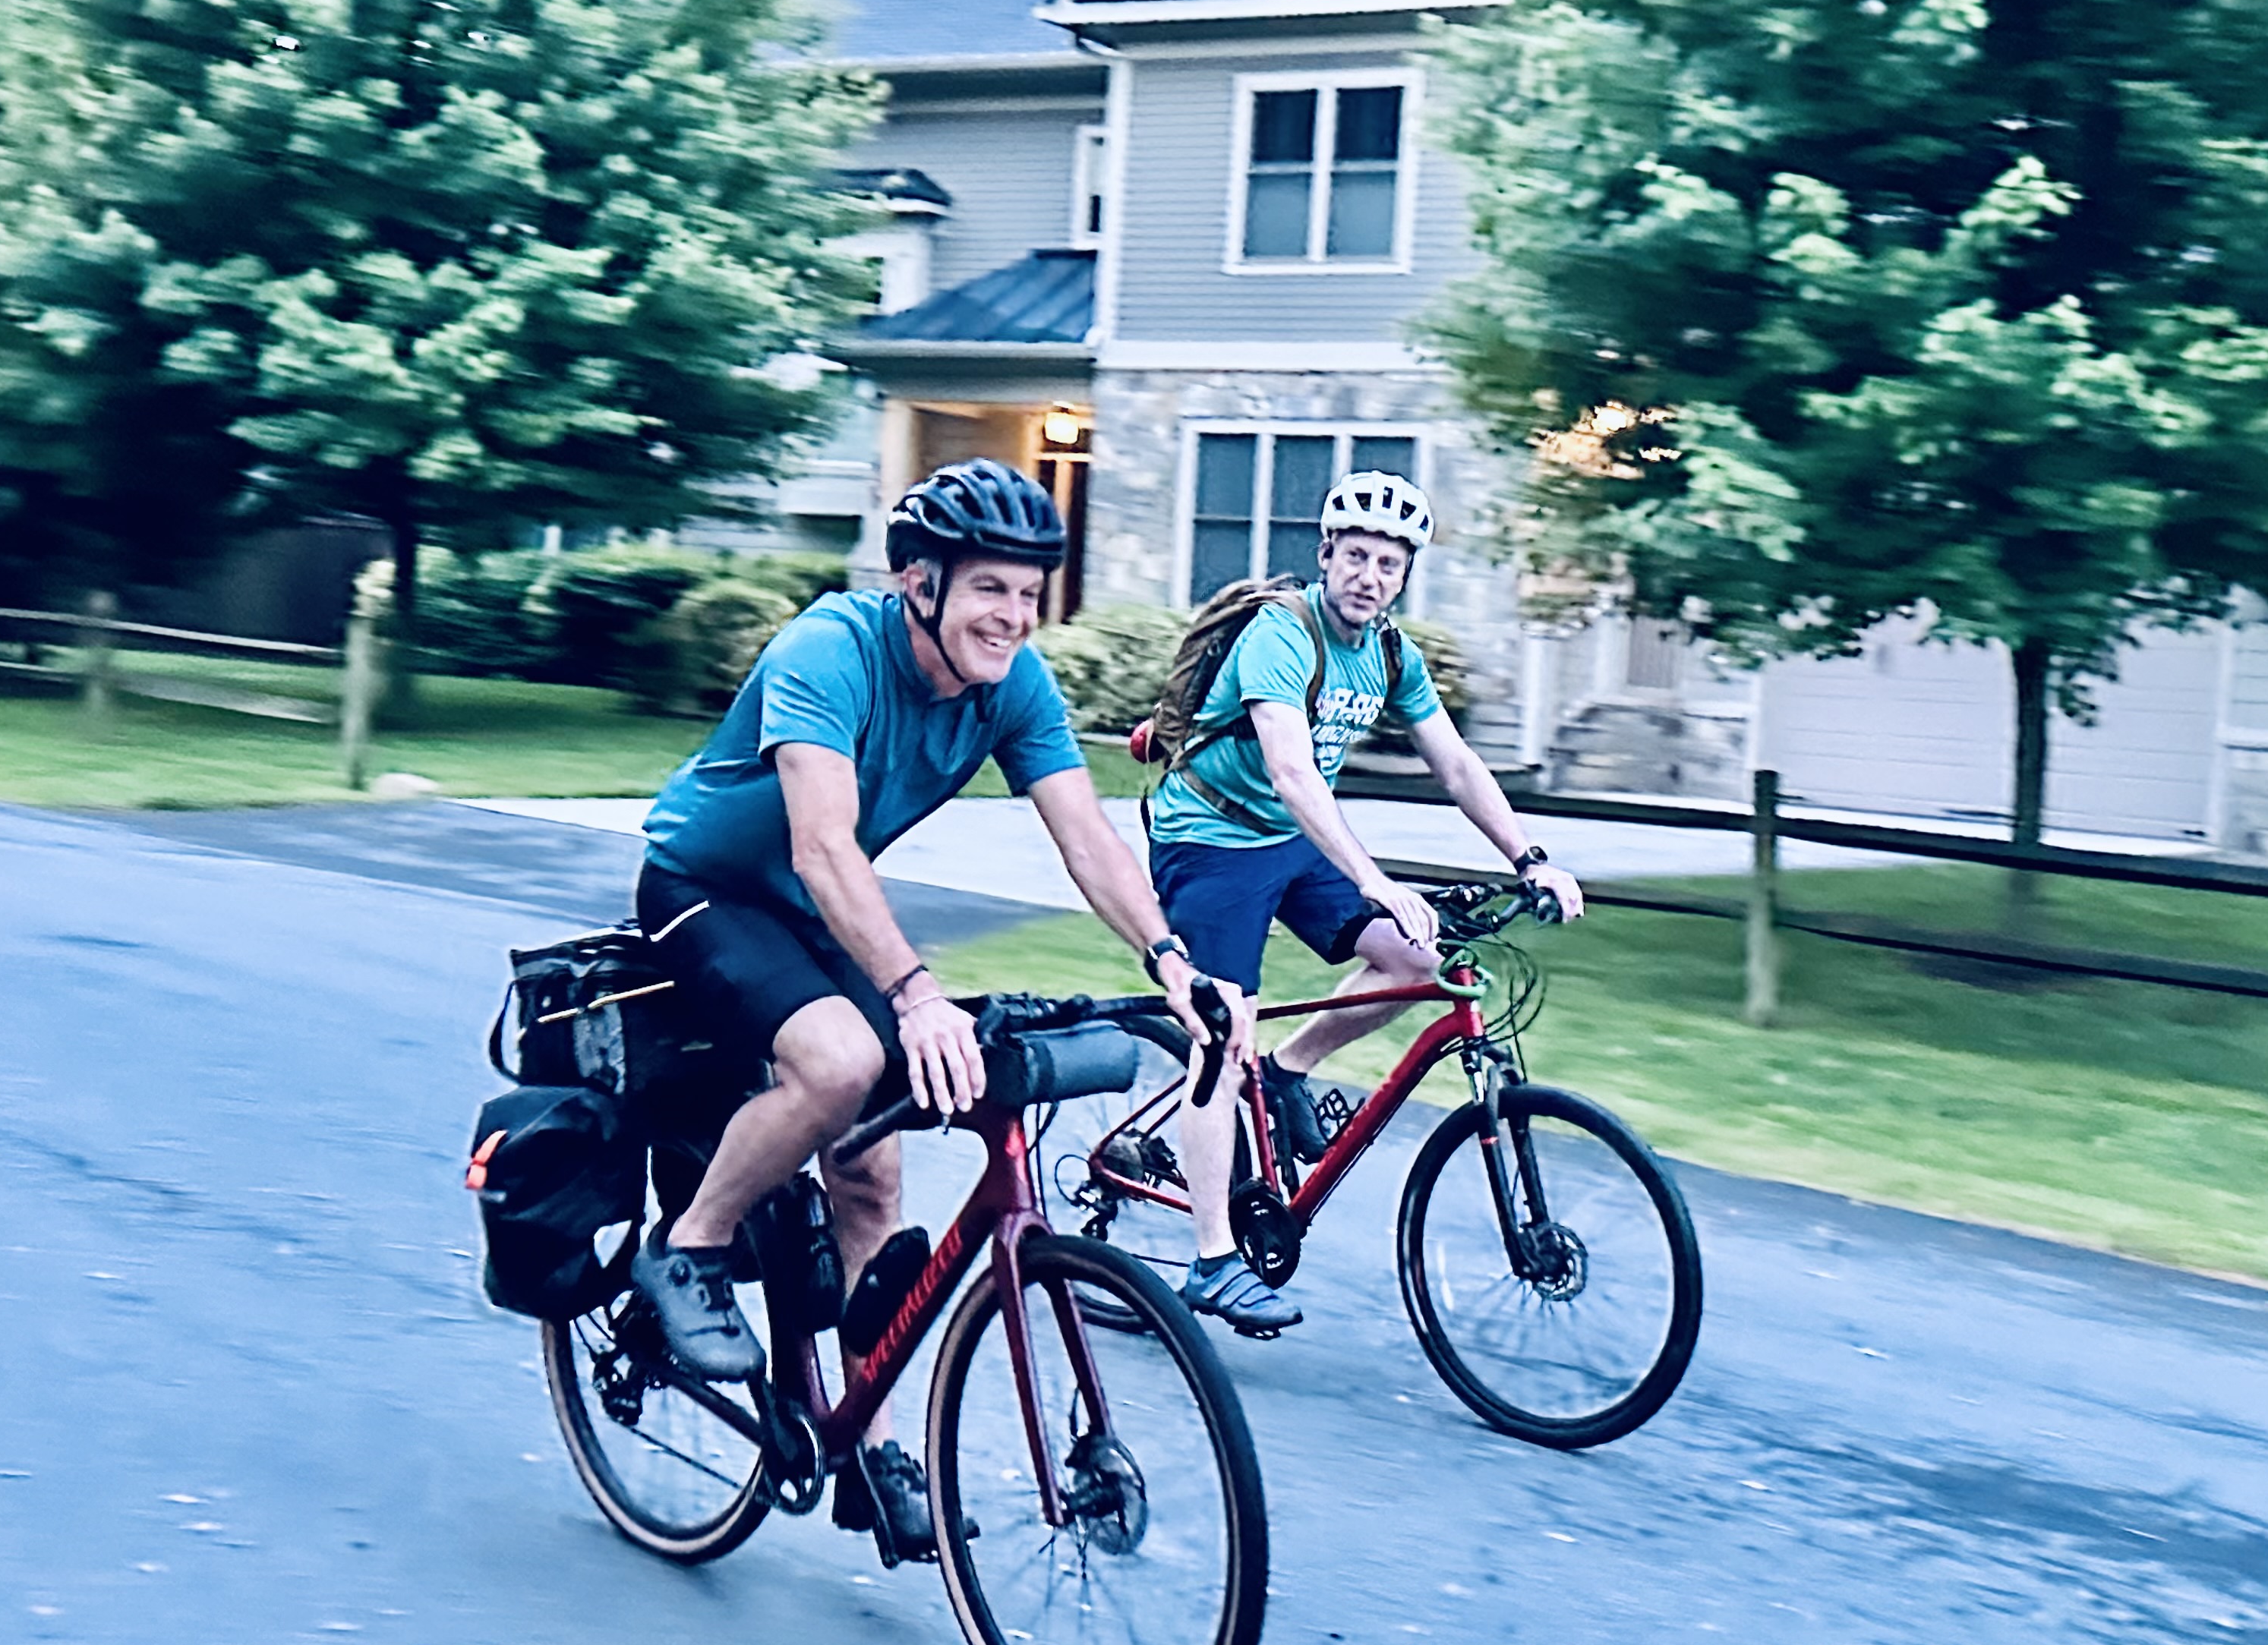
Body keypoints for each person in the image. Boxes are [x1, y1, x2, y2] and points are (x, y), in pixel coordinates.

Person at [630, 458, 1248, 1563]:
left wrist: (1171, 961)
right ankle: (692, 1245)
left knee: (873, 1169)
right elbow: (823, 844)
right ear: (919, 582)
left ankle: (867, 1446)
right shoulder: (830, 650)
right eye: (989, 589)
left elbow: (1087, 836)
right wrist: (915, 996)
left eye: (1030, 593)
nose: (1014, 615)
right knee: (839, 1064)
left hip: (818, 910)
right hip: (708, 889)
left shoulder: (1013, 683)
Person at [1146, 471, 1582, 1335]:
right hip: (1212, 838)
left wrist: (1531, 859)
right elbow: (1290, 770)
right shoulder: (1282, 632)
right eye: (1355, 557)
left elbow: (1456, 764)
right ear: (1326, 556)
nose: (1369, 576)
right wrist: (1375, 879)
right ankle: (1211, 1259)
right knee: (1222, 1036)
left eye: (1388, 564)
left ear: (1404, 575)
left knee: (1417, 961)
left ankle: (1286, 1072)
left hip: (1292, 840)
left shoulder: (1390, 654)